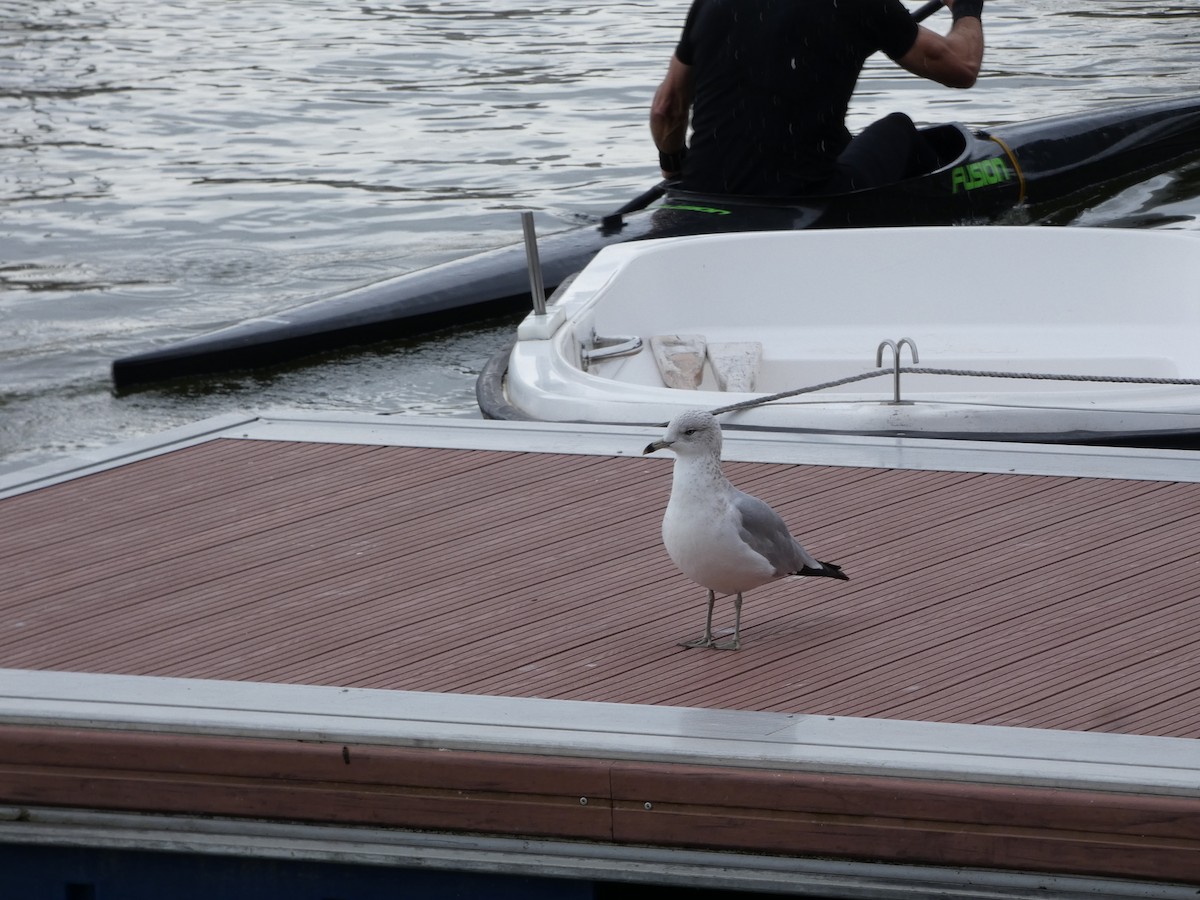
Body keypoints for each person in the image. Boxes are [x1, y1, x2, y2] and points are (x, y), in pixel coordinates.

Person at [650, 0, 985, 196]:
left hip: (702, 189)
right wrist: (967, 8)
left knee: (833, 138)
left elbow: (666, 107)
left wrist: (674, 168)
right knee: (899, 129)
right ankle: (935, 208)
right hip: (802, 197)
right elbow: (962, 66)